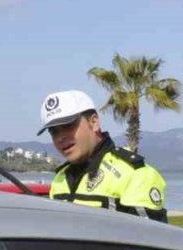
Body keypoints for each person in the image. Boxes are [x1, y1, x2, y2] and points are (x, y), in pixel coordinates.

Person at [37, 90, 168, 222]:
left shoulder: (135, 174)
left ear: (94, 122)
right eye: (53, 131)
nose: (60, 137)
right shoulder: (60, 178)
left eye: (68, 126)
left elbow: (148, 238)